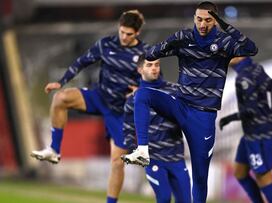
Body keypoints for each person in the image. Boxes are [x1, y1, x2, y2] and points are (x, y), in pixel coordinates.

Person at [122, 1, 258, 202]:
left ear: (216, 20)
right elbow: (151, 54)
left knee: (200, 178)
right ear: (195, 18)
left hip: (203, 116)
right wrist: (167, 47)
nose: (202, 24)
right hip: (180, 105)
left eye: (208, 20)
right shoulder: (183, 37)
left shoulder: (224, 42)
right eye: (199, 19)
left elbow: (251, 48)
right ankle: (142, 150)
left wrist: (226, 26)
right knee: (142, 95)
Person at [30, 10, 148, 203]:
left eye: (129, 34)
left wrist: (141, 90)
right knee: (60, 98)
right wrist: (61, 82)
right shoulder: (106, 44)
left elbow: (154, 80)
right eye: (122, 32)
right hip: (99, 96)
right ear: (119, 28)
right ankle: (54, 150)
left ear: (137, 33)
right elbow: (81, 62)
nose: (124, 37)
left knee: (117, 163)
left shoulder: (145, 53)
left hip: (120, 110)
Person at [123, 55, 191, 203]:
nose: (154, 68)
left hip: (177, 158)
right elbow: (127, 128)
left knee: (186, 200)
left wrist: (181, 124)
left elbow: (188, 115)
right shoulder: (133, 99)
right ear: (140, 69)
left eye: (157, 64)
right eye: (149, 65)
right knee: (164, 198)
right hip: (154, 159)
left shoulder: (175, 91)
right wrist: (132, 147)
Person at [219, 56, 272, 203]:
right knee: (240, 172)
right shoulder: (255, 68)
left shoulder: (243, 78)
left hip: (259, 135)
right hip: (251, 133)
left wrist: (228, 118)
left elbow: (251, 112)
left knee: (263, 179)